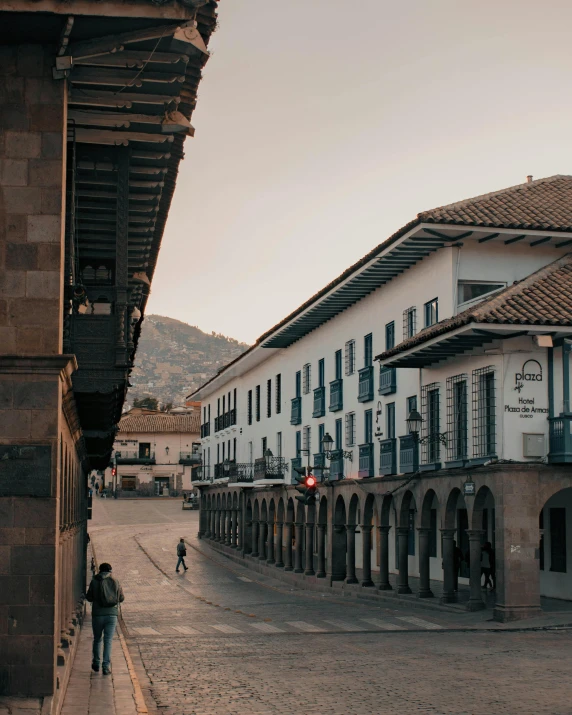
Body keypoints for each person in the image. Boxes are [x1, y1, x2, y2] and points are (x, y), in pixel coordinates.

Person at [86, 562, 124, 675]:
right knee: (108, 641)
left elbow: (89, 598)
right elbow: (121, 598)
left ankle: (96, 663)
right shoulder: (115, 581)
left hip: (98, 614)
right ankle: (106, 666)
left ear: (99, 570)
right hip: (112, 615)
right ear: (110, 571)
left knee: (97, 639)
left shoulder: (94, 581)